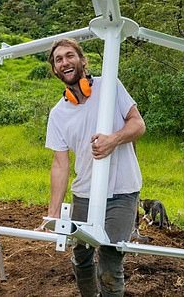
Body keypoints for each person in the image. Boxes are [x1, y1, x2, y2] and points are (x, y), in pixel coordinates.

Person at [44, 38, 146, 297]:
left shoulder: (109, 87)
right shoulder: (58, 113)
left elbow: (138, 124)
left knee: (110, 263)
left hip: (122, 192)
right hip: (85, 195)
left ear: (82, 60)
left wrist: (114, 139)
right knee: (81, 258)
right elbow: (59, 164)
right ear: (55, 70)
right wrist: (53, 213)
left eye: (69, 56)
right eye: (59, 59)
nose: (65, 62)